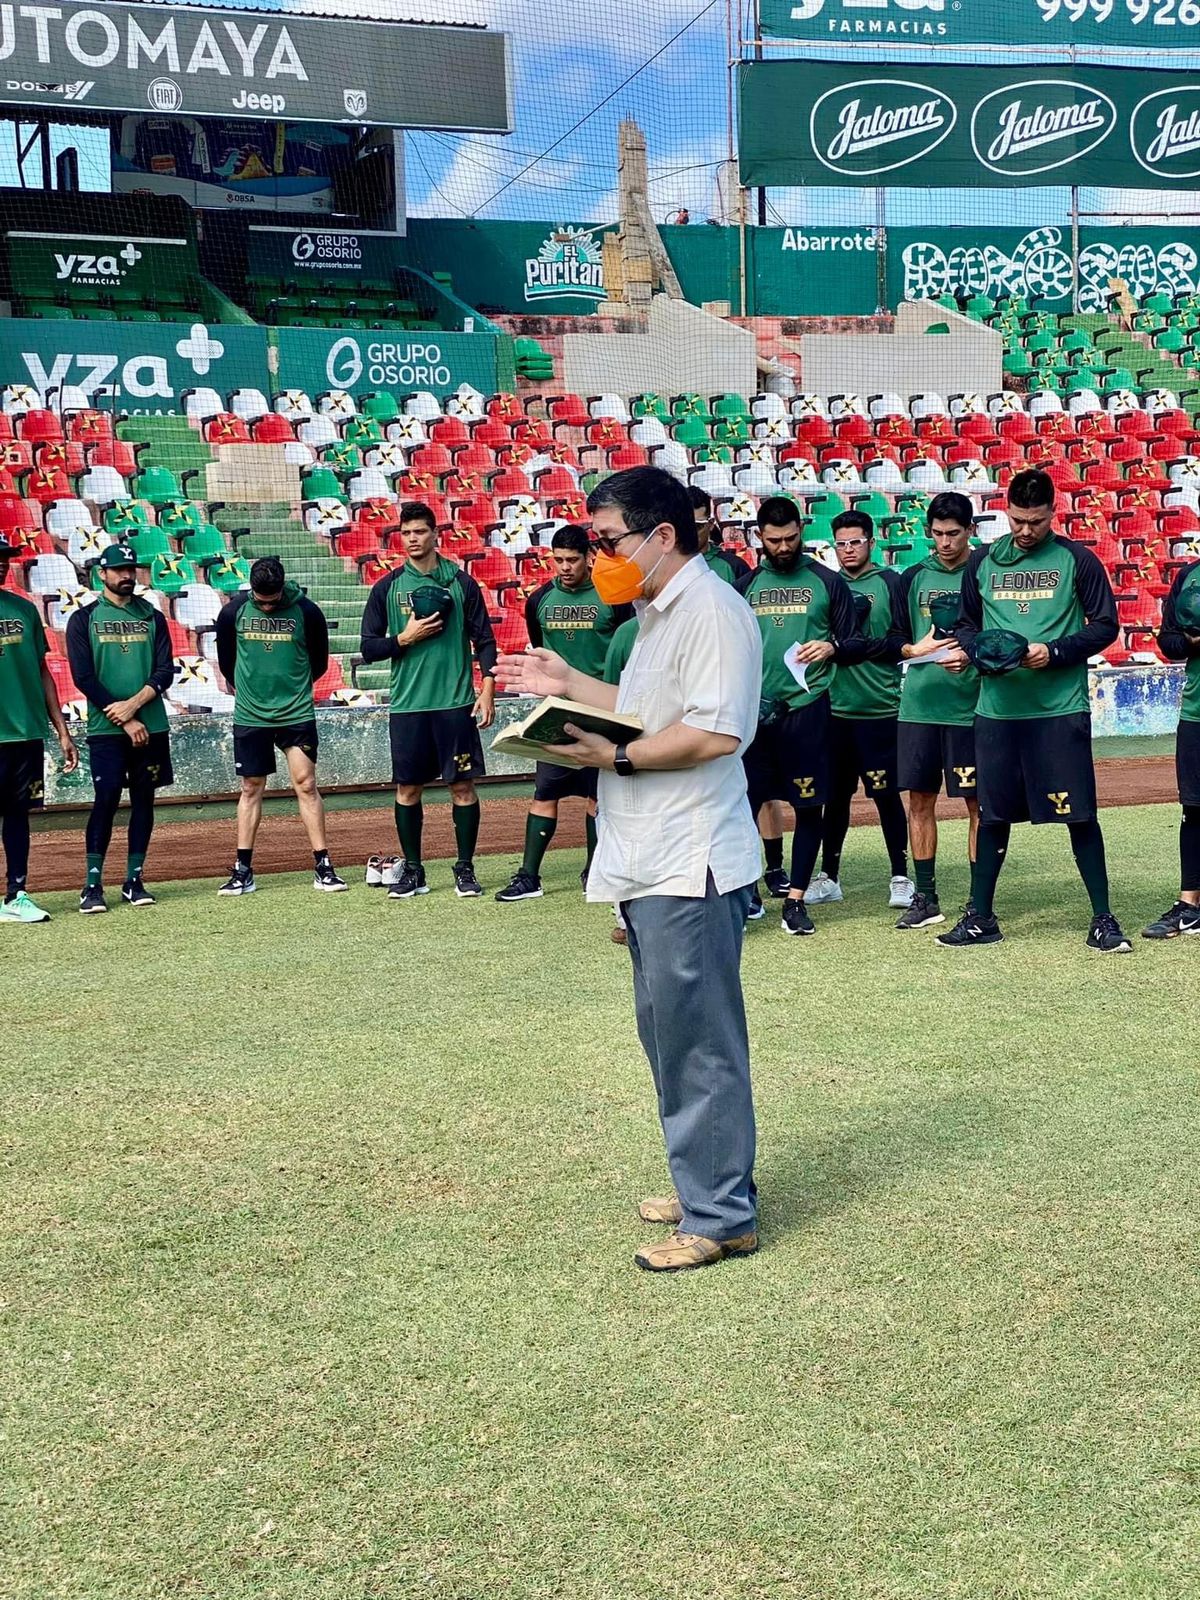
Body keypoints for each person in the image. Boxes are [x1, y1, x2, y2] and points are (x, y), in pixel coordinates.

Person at [495, 466, 763, 1273]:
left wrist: (615, 755)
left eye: (609, 540)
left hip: (690, 859)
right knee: (668, 1032)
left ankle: (722, 1213)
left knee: (699, 1038)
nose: (600, 553)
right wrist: (571, 685)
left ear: (662, 536)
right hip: (652, 857)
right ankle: (704, 1179)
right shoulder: (658, 614)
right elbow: (652, 709)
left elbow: (716, 733)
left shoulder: (712, 613)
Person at [941, 467, 1130, 951]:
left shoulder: (1077, 560)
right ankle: (981, 917)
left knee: (1080, 815)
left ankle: (1103, 919)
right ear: (1006, 511)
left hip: (1058, 711)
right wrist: (979, 650)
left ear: (1053, 513)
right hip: (997, 713)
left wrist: (1057, 651)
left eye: (1037, 522)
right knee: (993, 813)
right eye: (1018, 520)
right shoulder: (981, 562)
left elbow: (1106, 625)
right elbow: (965, 624)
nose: (1026, 531)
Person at [360, 501, 497, 899]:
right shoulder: (386, 587)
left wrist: (486, 687)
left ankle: (465, 868)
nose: (413, 540)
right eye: (406, 533)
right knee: (407, 790)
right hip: (408, 707)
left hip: (455, 704)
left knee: (462, 788)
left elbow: (485, 640)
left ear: (436, 535)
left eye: (420, 532)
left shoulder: (461, 582)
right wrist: (404, 639)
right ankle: (415, 871)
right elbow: (369, 648)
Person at [738, 495, 861, 936]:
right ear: (760, 537)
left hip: (809, 713)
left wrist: (832, 646)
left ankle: (796, 900)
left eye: (792, 538)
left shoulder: (828, 582)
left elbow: (855, 641)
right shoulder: (744, 586)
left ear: (801, 532)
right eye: (775, 540)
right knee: (743, 807)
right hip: (755, 717)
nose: (784, 546)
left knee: (810, 808)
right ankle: (747, 894)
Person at [496, 527, 631, 902]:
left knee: (597, 797)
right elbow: (540, 650)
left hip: (602, 711)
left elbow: (623, 650)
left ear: (589, 557)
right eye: (558, 560)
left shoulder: (613, 598)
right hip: (555, 713)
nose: (565, 567)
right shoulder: (539, 599)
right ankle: (528, 876)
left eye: (572, 559)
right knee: (545, 792)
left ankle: (594, 870)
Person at [214, 556, 346, 896]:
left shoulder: (307, 611)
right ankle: (243, 869)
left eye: (272, 602)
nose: (267, 607)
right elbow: (228, 663)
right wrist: (253, 690)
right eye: (260, 602)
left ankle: (323, 866)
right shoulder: (233, 612)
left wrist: (291, 689)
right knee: (250, 787)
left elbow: (318, 662)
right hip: (250, 715)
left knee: (306, 784)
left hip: (296, 713)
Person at [810, 510, 914, 909]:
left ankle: (900, 877)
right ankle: (829, 876)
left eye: (855, 542)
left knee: (886, 796)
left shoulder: (891, 583)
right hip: (835, 710)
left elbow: (901, 639)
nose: (848, 549)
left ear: (871, 542)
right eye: (841, 543)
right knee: (834, 798)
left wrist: (854, 646)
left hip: (880, 709)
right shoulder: (828, 585)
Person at [65, 543, 175, 913]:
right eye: (119, 570)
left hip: (152, 725)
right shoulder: (83, 619)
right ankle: (92, 885)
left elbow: (165, 671)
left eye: (131, 569)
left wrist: (135, 705)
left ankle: (134, 879)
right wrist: (125, 717)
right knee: (107, 798)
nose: (127, 575)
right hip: (106, 729)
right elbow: (83, 677)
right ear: (103, 574)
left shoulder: (152, 616)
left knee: (144, 799)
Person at [894, 492, 981, 930]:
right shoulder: (911, 578)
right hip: (919, 710)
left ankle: (977, 900)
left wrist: (972, 653)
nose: (945, 542)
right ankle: (925, 897)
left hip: (970, 710)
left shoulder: (985, 574)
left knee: (976, 806)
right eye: (938, 534)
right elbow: (890, 641)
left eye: (954, 533)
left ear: (971, 531)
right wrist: (913, 648)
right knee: (919, 803)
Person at [0, 534, 78, 922]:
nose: (3, 563)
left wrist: (62, 730)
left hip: (26, 732)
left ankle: (16, 895)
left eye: (6, 557)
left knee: (17, 815)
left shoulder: (25, 609)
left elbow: (43, 672)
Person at [1143, 557, 1200, 938]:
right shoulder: (1190, 575)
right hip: (1197, 714)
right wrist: (1191, 639)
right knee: (1194, 809)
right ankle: (1190, 905)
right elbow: (1168, 643)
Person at [690, 486, 751, 586]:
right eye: (684, 524)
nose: (690, 531)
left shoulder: (735, 567)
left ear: (710, 524)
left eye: (698, 526)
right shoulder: (664, 564)